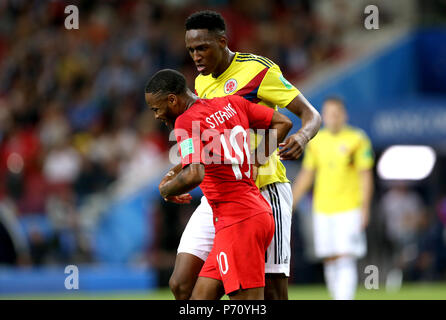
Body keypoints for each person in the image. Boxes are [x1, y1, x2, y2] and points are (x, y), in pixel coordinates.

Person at [166, 10, 321, 300]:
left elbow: (309, 114)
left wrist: (301, 136)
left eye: (202, 48)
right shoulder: (200, 84)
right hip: (219, 197)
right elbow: (204, 140)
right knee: (181, 284)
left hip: (265, 189)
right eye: (190, 50)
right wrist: (178, 174)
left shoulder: (258, 71)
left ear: (223, 41)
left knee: (273, 290)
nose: (196, 57)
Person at [145, 69, 293, 299]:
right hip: (244, 212)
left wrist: (165, 189)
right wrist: (255, 160)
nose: (156, 116)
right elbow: (283, 121)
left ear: (172, 100)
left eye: (156, 108)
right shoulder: (230, 103)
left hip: (239, 221)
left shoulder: (185, 122)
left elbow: (194, 174)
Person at [292, 97, 374, 300]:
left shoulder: (357, 139)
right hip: (322, 208)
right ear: (323, 116)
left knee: (345, 256)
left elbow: (365, 176)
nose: (332, 117)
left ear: (344, 115)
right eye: (328, 113)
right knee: (329, 257)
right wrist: (290, 203)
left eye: (336, 113)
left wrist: (365, 208)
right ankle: (337, 296)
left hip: (349, 208)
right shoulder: (317, 142)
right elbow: (307, 174)